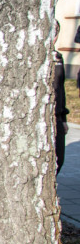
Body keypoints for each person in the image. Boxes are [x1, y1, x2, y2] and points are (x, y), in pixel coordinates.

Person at [54, 21, 69, 174]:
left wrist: (63, 118)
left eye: (56, 31)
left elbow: (61, 88)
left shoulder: (58, 57)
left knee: (59, 160)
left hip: (57, 116)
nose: (54, 35)